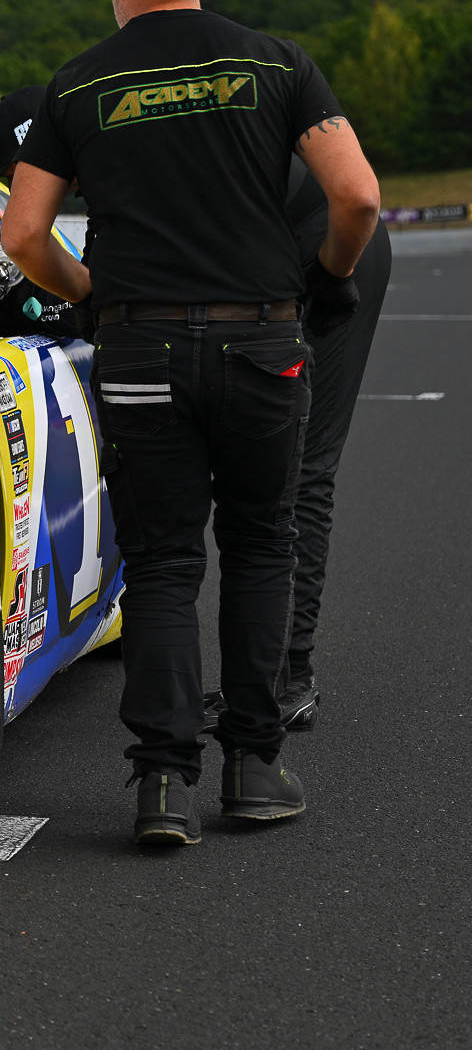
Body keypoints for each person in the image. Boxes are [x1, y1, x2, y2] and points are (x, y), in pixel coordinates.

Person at [0, 0, 380, 846]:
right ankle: (256, 768)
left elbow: (22, 235)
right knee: (261, 544)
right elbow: (359, 195)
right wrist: (324, 279)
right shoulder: (278, 61)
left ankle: (162, 785)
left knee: (165, 564)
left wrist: (88, 293)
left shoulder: (78, 84)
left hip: (140, 344)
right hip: (263, 339)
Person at [202, 159, 392, 731]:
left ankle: (291, 676)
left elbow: (358, 196)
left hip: (326, 244)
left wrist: (331, 278)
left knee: (302, 466)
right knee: (265, 464)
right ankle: (265, 673)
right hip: (281, 243)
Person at [0, 87, 82, 339]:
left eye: (16, 175)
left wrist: (5, 294)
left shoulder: (116, 187)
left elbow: (92, 308)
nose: (16, 190)